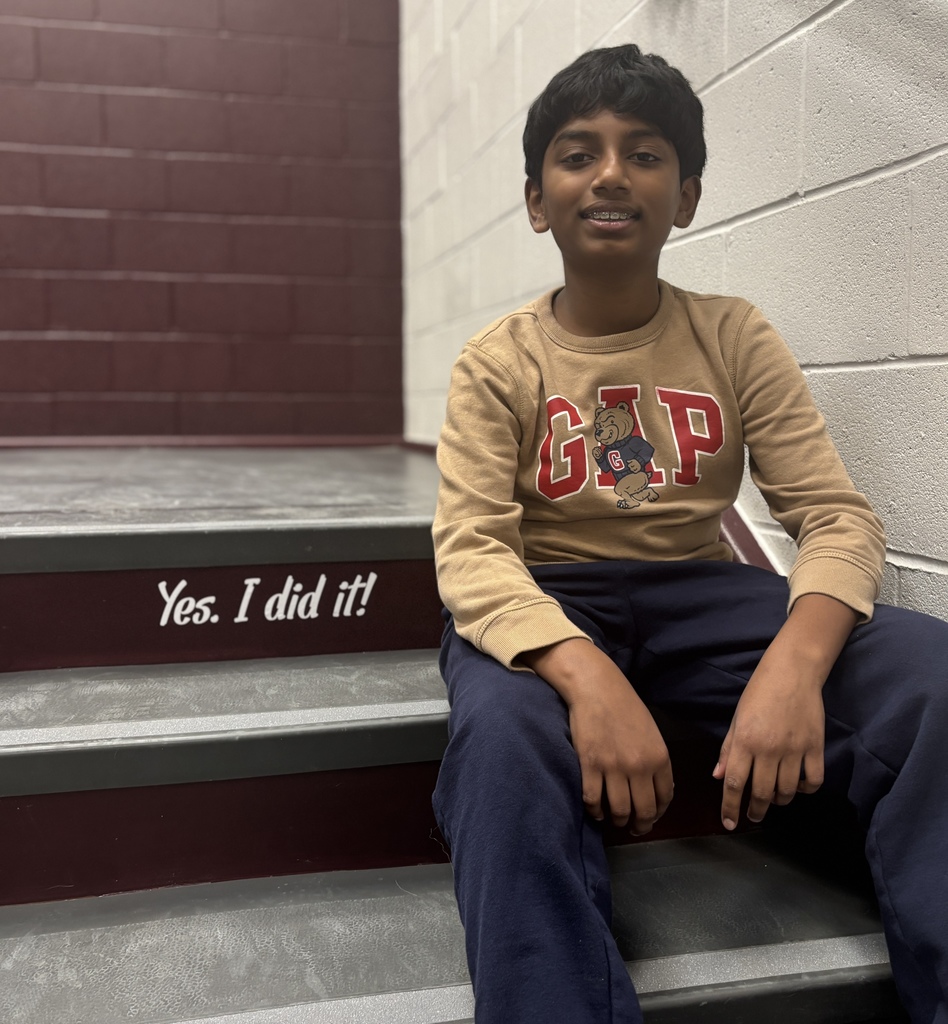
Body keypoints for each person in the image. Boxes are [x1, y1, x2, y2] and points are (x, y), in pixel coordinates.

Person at [431, 43, 947, 1024]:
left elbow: (835, 516)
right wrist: (585, 676)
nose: (612, 173)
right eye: (578, 154)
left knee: (929, 670)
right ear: (539, 201)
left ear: (689, 194)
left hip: (707, 597)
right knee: (498, 741)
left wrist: (794, 667)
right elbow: (472, 550)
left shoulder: (733, 333)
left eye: (646, 153)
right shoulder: (497, 361)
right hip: (552, 595)